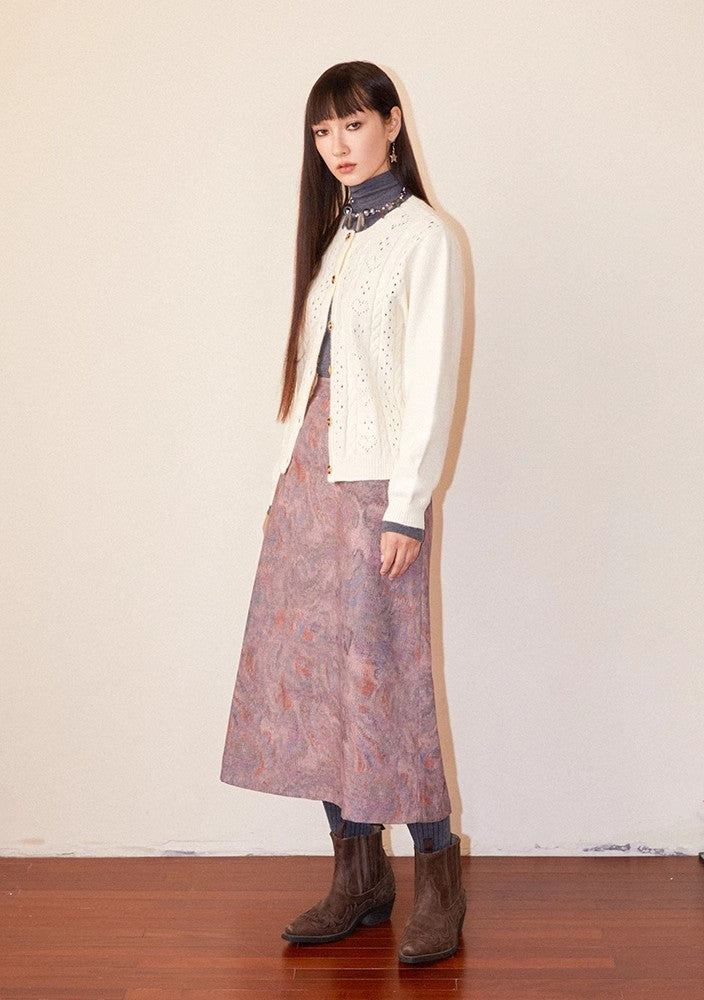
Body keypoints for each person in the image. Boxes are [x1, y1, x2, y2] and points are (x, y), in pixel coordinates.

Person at [220, 60, 466, 966]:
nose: (338, 146)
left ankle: (439, 879)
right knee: (319, 682)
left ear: (392, 124)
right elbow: (308, 382)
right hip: (306, 488)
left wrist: (407, 509)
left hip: (373, 492)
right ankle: (359, 879)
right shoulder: (334, 242)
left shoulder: (426, 237)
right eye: (323, 132)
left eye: (353, 125)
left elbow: (430, 384)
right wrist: (275, 493)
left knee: (387, 682)